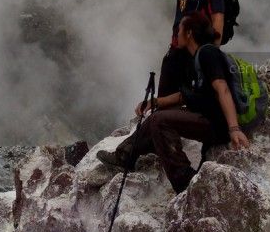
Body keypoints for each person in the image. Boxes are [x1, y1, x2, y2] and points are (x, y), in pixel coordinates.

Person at [97, 12, 249, 193]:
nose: (176, 34)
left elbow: (222, 88)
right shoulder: (194, 58)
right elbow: (185, 96)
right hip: (206, 116)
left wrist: (234, 128)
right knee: (156, 117)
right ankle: (124, 156)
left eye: (180, 30)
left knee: (159, 121)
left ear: (190, 33)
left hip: (217, 124)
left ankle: (185, 180)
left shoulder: (208, 53)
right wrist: (156, 102)